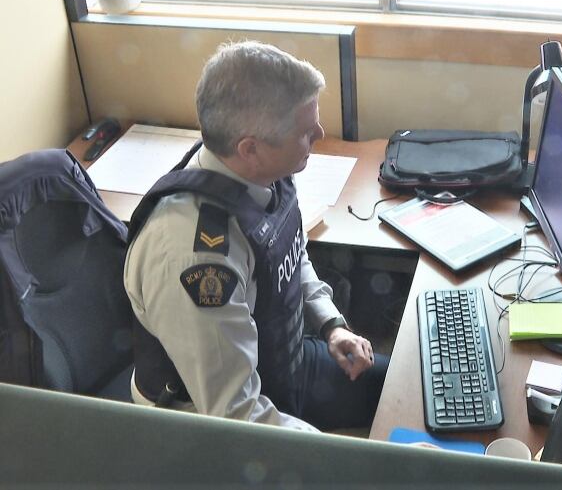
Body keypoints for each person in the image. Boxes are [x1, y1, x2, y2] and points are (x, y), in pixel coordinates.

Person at [124, 41, 388, 432]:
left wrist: (331, 324)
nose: (320, 133)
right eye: (305, 131)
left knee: (399, 390)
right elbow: (234, 413)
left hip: (280, 364)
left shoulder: (260, 174)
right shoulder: (196, 258)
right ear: (250, 148)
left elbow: (287, 252)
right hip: (202, 420)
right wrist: (345, 456)